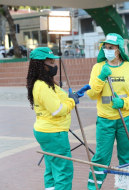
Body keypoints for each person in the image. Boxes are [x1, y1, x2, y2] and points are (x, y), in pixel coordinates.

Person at [26, 47, 91, 190]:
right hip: (53, 134)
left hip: (47, 132)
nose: (54, 65)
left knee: (51, 168)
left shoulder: (46, 82)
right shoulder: (42, 86)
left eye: (54, 61)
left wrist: (74, 95)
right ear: (40, 65)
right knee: (64, 171)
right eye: (50, 62)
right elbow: (57, 109)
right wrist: (72, 101)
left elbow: (58, 99)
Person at [86, 33, 129, 189]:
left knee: (126, 157)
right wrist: (101, 77)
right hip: (105, 120)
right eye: (105, 47)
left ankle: (123, 187)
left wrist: (124, 102)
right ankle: (93, 187)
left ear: (119, 49)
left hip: (127, 118)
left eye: (110, 47)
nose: (107, 50)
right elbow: (92, 95)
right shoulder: (98, 68)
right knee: (101, 157)